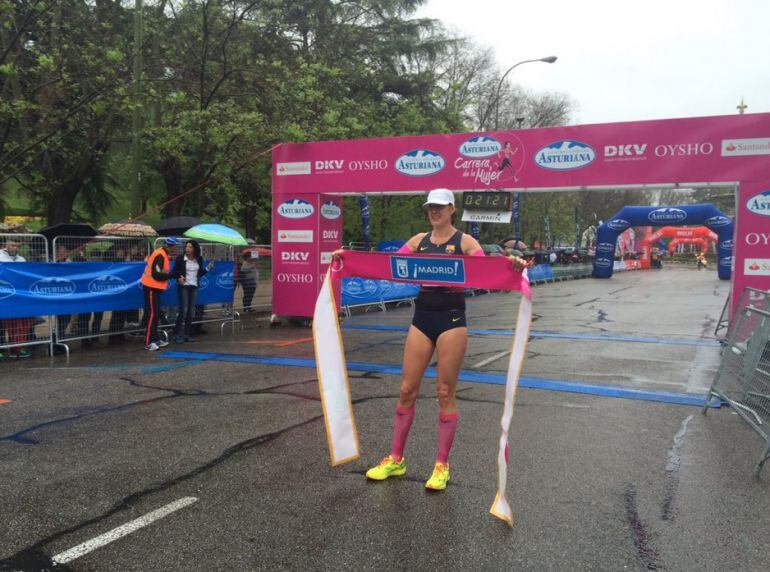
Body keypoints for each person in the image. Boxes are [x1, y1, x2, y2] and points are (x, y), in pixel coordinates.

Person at [335, 188, 528, 491]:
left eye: (439, 207)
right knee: (407, 389)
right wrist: (346, 259)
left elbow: (490, 268)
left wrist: (513, 264)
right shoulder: (418, 241)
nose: (434, 212)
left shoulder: (465, 242)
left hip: (451, 318)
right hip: (422, 316)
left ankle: (442, 465)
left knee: (444, 391)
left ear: (452, 209)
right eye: (430, 207)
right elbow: (384, 266)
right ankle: (396, 459)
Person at [170, 239, 213, 343]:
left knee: (190, 312)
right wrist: (178, 278)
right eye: (186, 247)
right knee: (183, 311)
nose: (187, 249)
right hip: (184, 286)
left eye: (190, 247)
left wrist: (208, 268)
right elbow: (174, 272)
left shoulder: (199, 259)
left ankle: (187, 334)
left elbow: (200, 273)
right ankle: (176, 335)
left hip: (194, 287)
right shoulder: (180, 259)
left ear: (195, 249)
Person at [141, 237, 179, 351]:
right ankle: (149, 342)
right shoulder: (160, 255)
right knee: (153, 314)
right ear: (170, 247)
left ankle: (155, 339)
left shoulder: (163, 255)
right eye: (177, 248)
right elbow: (156, 275)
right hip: (151, 287)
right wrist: (173, 275)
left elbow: (160, 272)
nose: (178, 250)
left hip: (154, 288)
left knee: (155, 314)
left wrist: (171, 274)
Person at [0, 239, 33, 359]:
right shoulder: (0, 257)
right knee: (2, 324)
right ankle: (2, 348)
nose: (15, 247)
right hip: (3, 295)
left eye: (17, 245)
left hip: (18, 296)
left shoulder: (21, 259)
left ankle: (17, 348)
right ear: (5, 245)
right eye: (12, 245)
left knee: (17, 323)